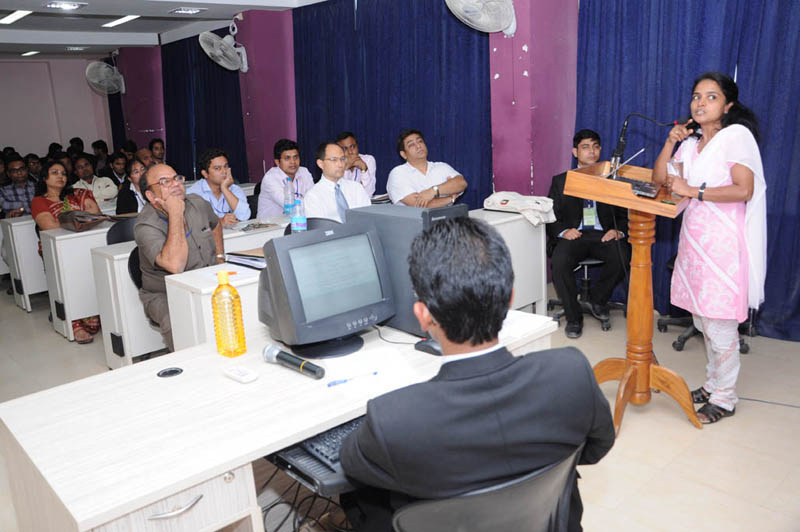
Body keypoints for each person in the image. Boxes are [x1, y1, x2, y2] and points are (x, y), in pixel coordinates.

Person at [340, 217, 615, 532]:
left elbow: (350, 465)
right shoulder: (571, 373)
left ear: (423, 316)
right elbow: (596, 448)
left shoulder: (393, 418)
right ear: (510, 299)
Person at [652, 72, 766, 424]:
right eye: (696, 96)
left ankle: (725, 397)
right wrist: (670, 143)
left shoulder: (736, 137)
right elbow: (661, 180)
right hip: (694, 241)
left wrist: (694, 191)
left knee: (719, 325)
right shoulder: (691, 144)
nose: (700, 102)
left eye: (711, 96)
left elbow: (743, 189)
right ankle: (713, 383)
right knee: (703, 320)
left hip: (723, 245)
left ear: (728, 105)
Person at [546, 129, 629, 339]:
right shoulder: (561, 181)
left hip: (603, 235)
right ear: (575, 152)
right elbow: (551, 215)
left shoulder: (611, 179)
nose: (591, 151)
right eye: (585, 147)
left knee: (623, 254)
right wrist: (564, 231)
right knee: (560, 261)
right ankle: (574, 319)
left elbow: (623, 215)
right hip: (575, 234)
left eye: (595, 146)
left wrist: (617, 231)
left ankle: (597, 300)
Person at [134, 163, 224, 351]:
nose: (175, 184)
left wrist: (220, 257)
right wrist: (175, 213)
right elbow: (176, 265)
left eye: (177, 178)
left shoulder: (197, 203)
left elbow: (215, 224)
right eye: (165, 182)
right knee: (178, 321)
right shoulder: (145, 225)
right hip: (165, 293)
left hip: (207, 280)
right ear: (150, 195)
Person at [31, 160, 102, 344]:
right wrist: (80, 220)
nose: (60, 176)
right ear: (44, 178)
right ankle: (74, 323)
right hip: (57, 249)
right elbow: (50, 227)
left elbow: (95, 217)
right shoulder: (39, 201)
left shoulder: (78, 194)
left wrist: (72, 221)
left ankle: (91, 310)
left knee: (94, 320)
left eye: (63, 173)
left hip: (86, 243)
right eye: (54, 172)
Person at [386, 129, 467, 207]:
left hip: (448, 216)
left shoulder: (442, 167)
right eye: (411, 145)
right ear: (403, 154)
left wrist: (433, 191)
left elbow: (461, 183)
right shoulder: (398, 173)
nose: (418, 146)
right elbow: (418, 205)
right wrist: (450, 198)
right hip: (414, 217)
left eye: (420, 141)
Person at [304, 142, 371, 223]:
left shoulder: (356, 188)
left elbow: (369, 219)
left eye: (342, 159)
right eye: (334, 160)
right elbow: (318, 228)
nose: (340, 165)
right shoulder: (313, 196)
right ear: (320, 164)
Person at [187, 148, 250, 227]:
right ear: (205, 174)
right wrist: (219, 222)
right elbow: (193, 224)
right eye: (217, 168)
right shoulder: (193, 193)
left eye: (225, 166)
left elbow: (245, 216)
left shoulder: (234, 189)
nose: (224, 171)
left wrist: (225, 189)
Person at [256, 138, 314, 218]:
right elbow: (289, 205)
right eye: (287, 158)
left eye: (295, 157)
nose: (293, 162)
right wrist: (309, 203)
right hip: (270, 224)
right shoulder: (270, 178)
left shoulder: (304, 172)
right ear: (277, 162)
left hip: (298, 220)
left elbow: (314, 198)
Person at [335, 131, 377, 196]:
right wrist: (345, 168)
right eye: (345, 149)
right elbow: (338, 193)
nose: (350, 152)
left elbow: (369, 193)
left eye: (352, 146)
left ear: (357, 146)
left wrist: (364, 169)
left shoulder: (368, 160)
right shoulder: (335, 164)